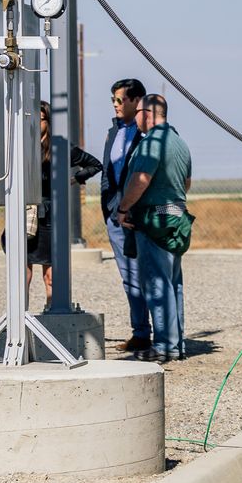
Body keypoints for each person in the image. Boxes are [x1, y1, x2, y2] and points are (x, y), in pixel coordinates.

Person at [116, 94, 192, 362]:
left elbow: (141, 178)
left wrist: (123, 208)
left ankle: (163, 347)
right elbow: (186, 183)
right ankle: (175, 344)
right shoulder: (179, 143)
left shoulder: (151, 143)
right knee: (173, 283)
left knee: (157, 284)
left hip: (154, 220)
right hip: (177, 218)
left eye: (137, 112)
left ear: (147, 114)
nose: (135, 118)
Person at [29, 101, 103, 306]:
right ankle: (20, 316)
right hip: (26, 212)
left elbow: (95, 165)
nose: (34, 123)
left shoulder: (59, 148)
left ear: (48, 121)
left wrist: (74, 179)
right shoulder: (22, 145)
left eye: (39, 119)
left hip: (49, 215)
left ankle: (52, 311)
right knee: (23, 272)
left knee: (50, 274)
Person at [101, 79, 151, 353]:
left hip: (138, 215)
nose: (115, 105)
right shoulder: (114, 131)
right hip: (115, 215)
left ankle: (164, 336)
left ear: (136, 101)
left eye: (119, 100)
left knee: (150, 275)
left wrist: (131, 207)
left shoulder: (146, 134)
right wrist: (110, 207)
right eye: (113, 100)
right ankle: (140, 332)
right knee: (129, 276)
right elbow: (108, 173)